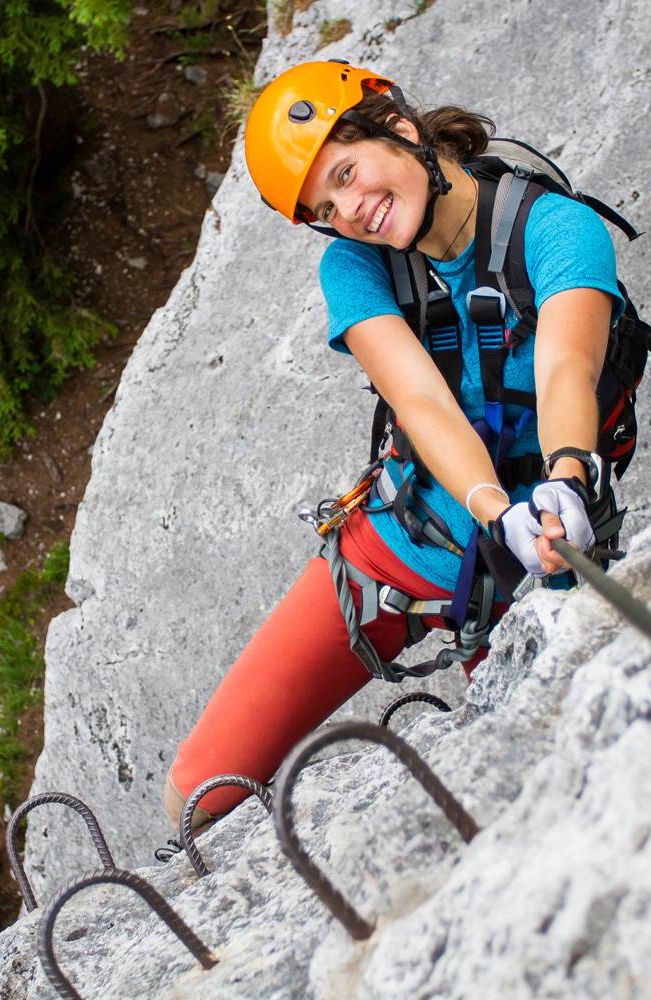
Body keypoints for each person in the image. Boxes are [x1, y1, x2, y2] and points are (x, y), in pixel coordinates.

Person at [161, 61, 626, 832]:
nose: (351, 211)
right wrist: (488, 507)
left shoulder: (555, 228)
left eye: (346, 172)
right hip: (400, 539)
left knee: (551, 793)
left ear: (401, 130)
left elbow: (566, 366)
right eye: (326, 205)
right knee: (202, 785)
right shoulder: (353, 263)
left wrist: (567, 479)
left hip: (542, 551)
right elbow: (417, 398)